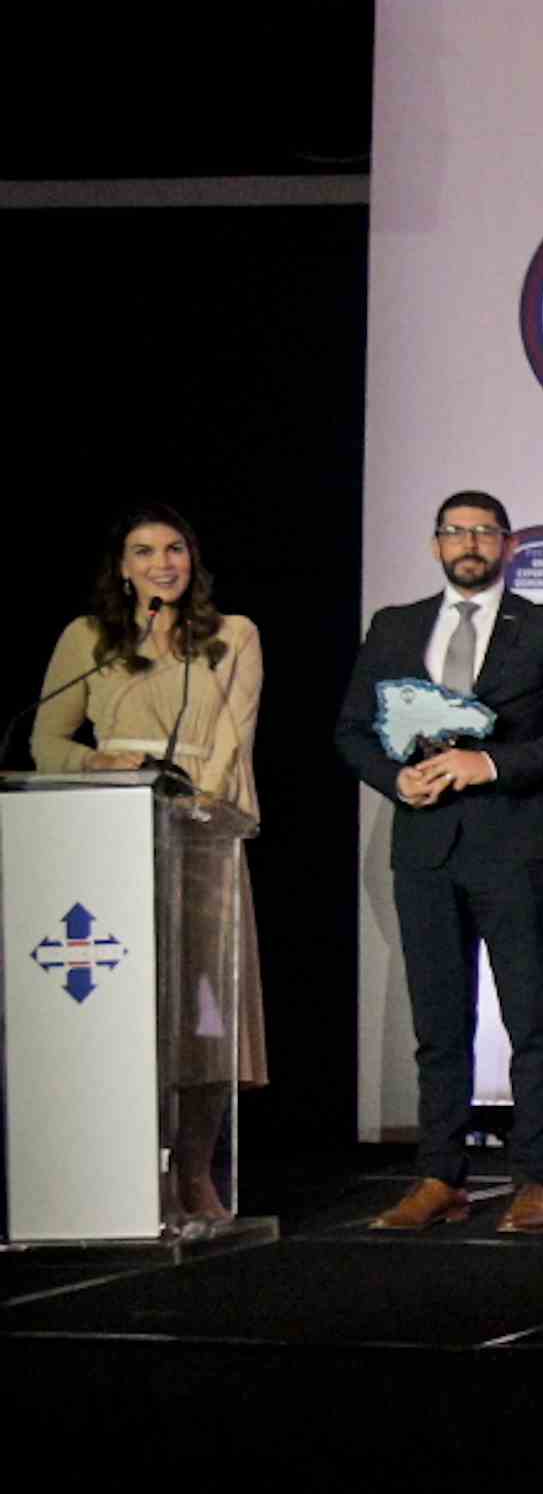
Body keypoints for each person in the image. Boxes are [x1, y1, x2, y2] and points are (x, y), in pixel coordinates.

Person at [335, 488, 543, 1234]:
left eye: (485, 531)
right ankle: (439, 1175)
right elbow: (353, 732)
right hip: (424, 847)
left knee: (529, 1016)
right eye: (456, 531)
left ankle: (537, 1177)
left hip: (514, 842)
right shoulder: (394, 627)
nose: (470, 543)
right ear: (435, 545)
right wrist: (395, 777)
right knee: (439, 1024)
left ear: (510, 546)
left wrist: (489, 765)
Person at [34, 503, 263, 1217]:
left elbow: (234, 738)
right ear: (122, 567)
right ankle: (122, 1168)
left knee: (205, 1011)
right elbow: (46, 742)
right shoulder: (89, 638)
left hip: (198, 838)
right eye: (143, 551)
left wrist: (195, 803)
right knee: (125, 1005)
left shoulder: (231, 635)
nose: (161, 562)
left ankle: (194, 1170)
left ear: (192, 560)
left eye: (174, 549)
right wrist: (102, 760)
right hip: (109, 839)